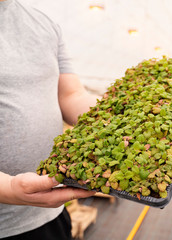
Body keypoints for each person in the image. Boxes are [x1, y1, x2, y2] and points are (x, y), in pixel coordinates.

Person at [0, 0, 99, 238]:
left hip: (48, 215)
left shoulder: (43, 24)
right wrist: (8, 189)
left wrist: (115, 115)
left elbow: (70, 95)